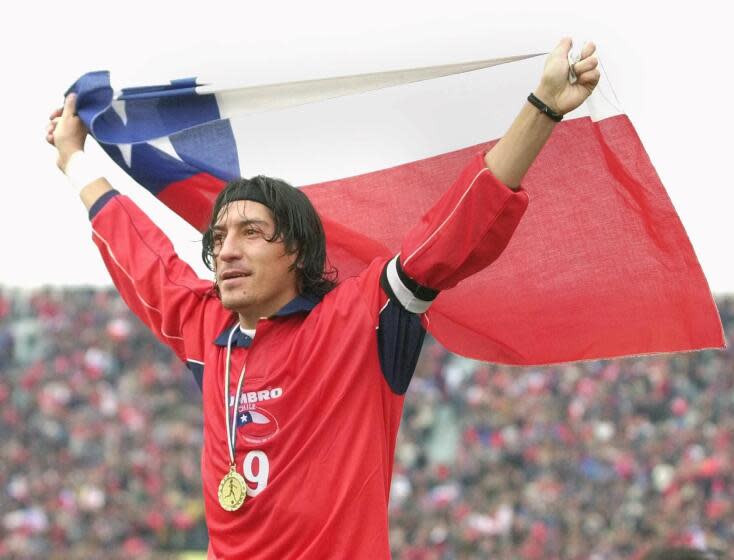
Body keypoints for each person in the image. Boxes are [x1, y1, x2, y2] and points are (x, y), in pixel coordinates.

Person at [47, 38, 599, 559]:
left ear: (297, 251)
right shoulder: (203, 326)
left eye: (251, 233)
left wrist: (542, 107)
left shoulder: (361, 320)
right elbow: (138, 251)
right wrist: (74, 159)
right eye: (218, 238)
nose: (228, 250)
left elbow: (453, 234)